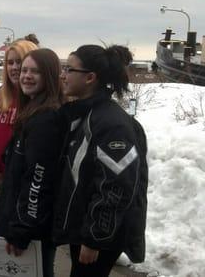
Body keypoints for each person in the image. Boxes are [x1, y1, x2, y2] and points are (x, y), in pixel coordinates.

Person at [53, 44, 148, 277]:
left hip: (99, 237)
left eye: (69, 69)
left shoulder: (111, 123)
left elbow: (115, 185)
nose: (63, 75)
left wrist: (95, 238)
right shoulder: (86, 114)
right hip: (83, 228)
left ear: (90, 78)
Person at [0, 48, 64, 277]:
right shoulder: (32, 111)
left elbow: (38, 179)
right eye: (24, 70)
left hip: (30, 228)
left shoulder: (47, 118)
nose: (26, 76)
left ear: (50, 76)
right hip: (16, 215)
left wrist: (22, 228)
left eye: (36, 71)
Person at [0, 39, 38, 205]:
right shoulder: (0, 97)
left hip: (26, 188)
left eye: (19, 62)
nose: (14, 67)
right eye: (10, 62)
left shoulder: (37, 102)